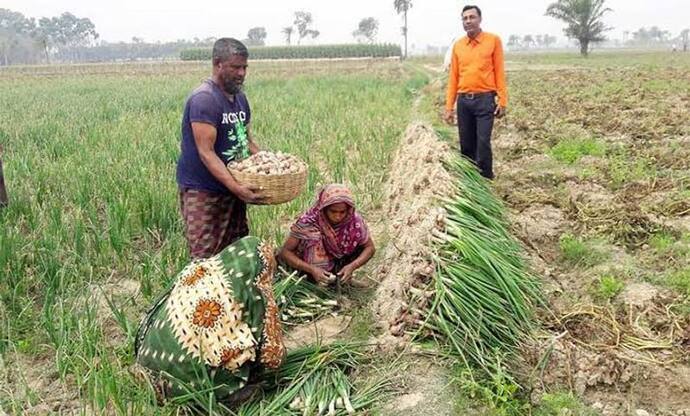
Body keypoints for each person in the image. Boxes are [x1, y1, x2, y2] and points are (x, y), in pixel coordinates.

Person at [133, 236, 285, 405]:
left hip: (147, 361)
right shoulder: (247, 290)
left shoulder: (202, 269)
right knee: (252, 382)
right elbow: (271, 356)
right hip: (183, 385)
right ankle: (221, 394)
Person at [176, 38, 265, 259]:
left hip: (231, 187)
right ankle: (201, 294)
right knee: (204, 256)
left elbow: (245, 141)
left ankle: (229, 294)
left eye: (245, 67)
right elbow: (206, 152)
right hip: (204, 190)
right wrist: (237, 188)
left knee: (235, 250)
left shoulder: (240, 99)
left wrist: (269, 161)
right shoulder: (205, 99)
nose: (242, 73)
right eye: (236, 67)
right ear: (217, 64)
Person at [443, 5, 507, 180]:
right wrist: (449, 107)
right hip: (464, 102)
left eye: (472, 17)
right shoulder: (458, 46)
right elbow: (453, 78)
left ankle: (486, 180)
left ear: (480, 19)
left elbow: (500, 72)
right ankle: (470, 181)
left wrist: (502, 100)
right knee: (466, 145)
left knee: (483, 143)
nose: (468, 21)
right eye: (465, 18)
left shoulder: (493, 41)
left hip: (485, 100)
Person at [278, 184, 375, 286]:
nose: (338, 216)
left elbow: (370, 248)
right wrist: (312, 269)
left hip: (339, 262)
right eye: (333, 211)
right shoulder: (308, 222)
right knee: (313, 238)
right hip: (307, 269)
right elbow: (285, 252)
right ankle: (313, 282)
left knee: (359, 245)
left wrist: (352, 266)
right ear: (324, 208)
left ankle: (340, 278)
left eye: (342, 212)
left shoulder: (354, 221)